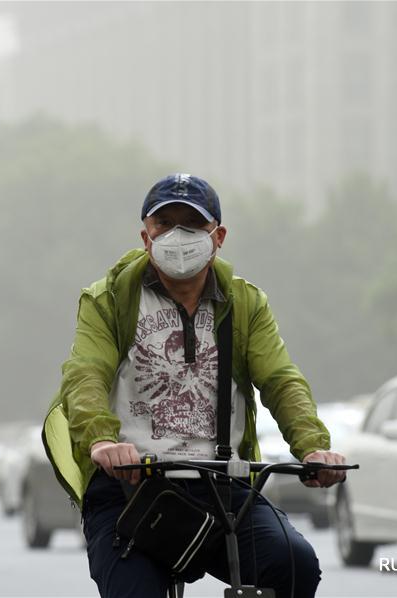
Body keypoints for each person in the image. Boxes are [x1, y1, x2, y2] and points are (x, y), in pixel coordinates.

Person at [42, 173, 347, 598]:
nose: (178, 236)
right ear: (146, 237)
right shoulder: (109, 299)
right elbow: (85, 373)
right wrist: (101, 440)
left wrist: (312, 446)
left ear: (218, 236)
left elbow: (280, 380)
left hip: (222, 489)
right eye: (165, 224)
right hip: (130, 490)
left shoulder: (245, 304)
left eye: (193, 224)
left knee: (294, 566)